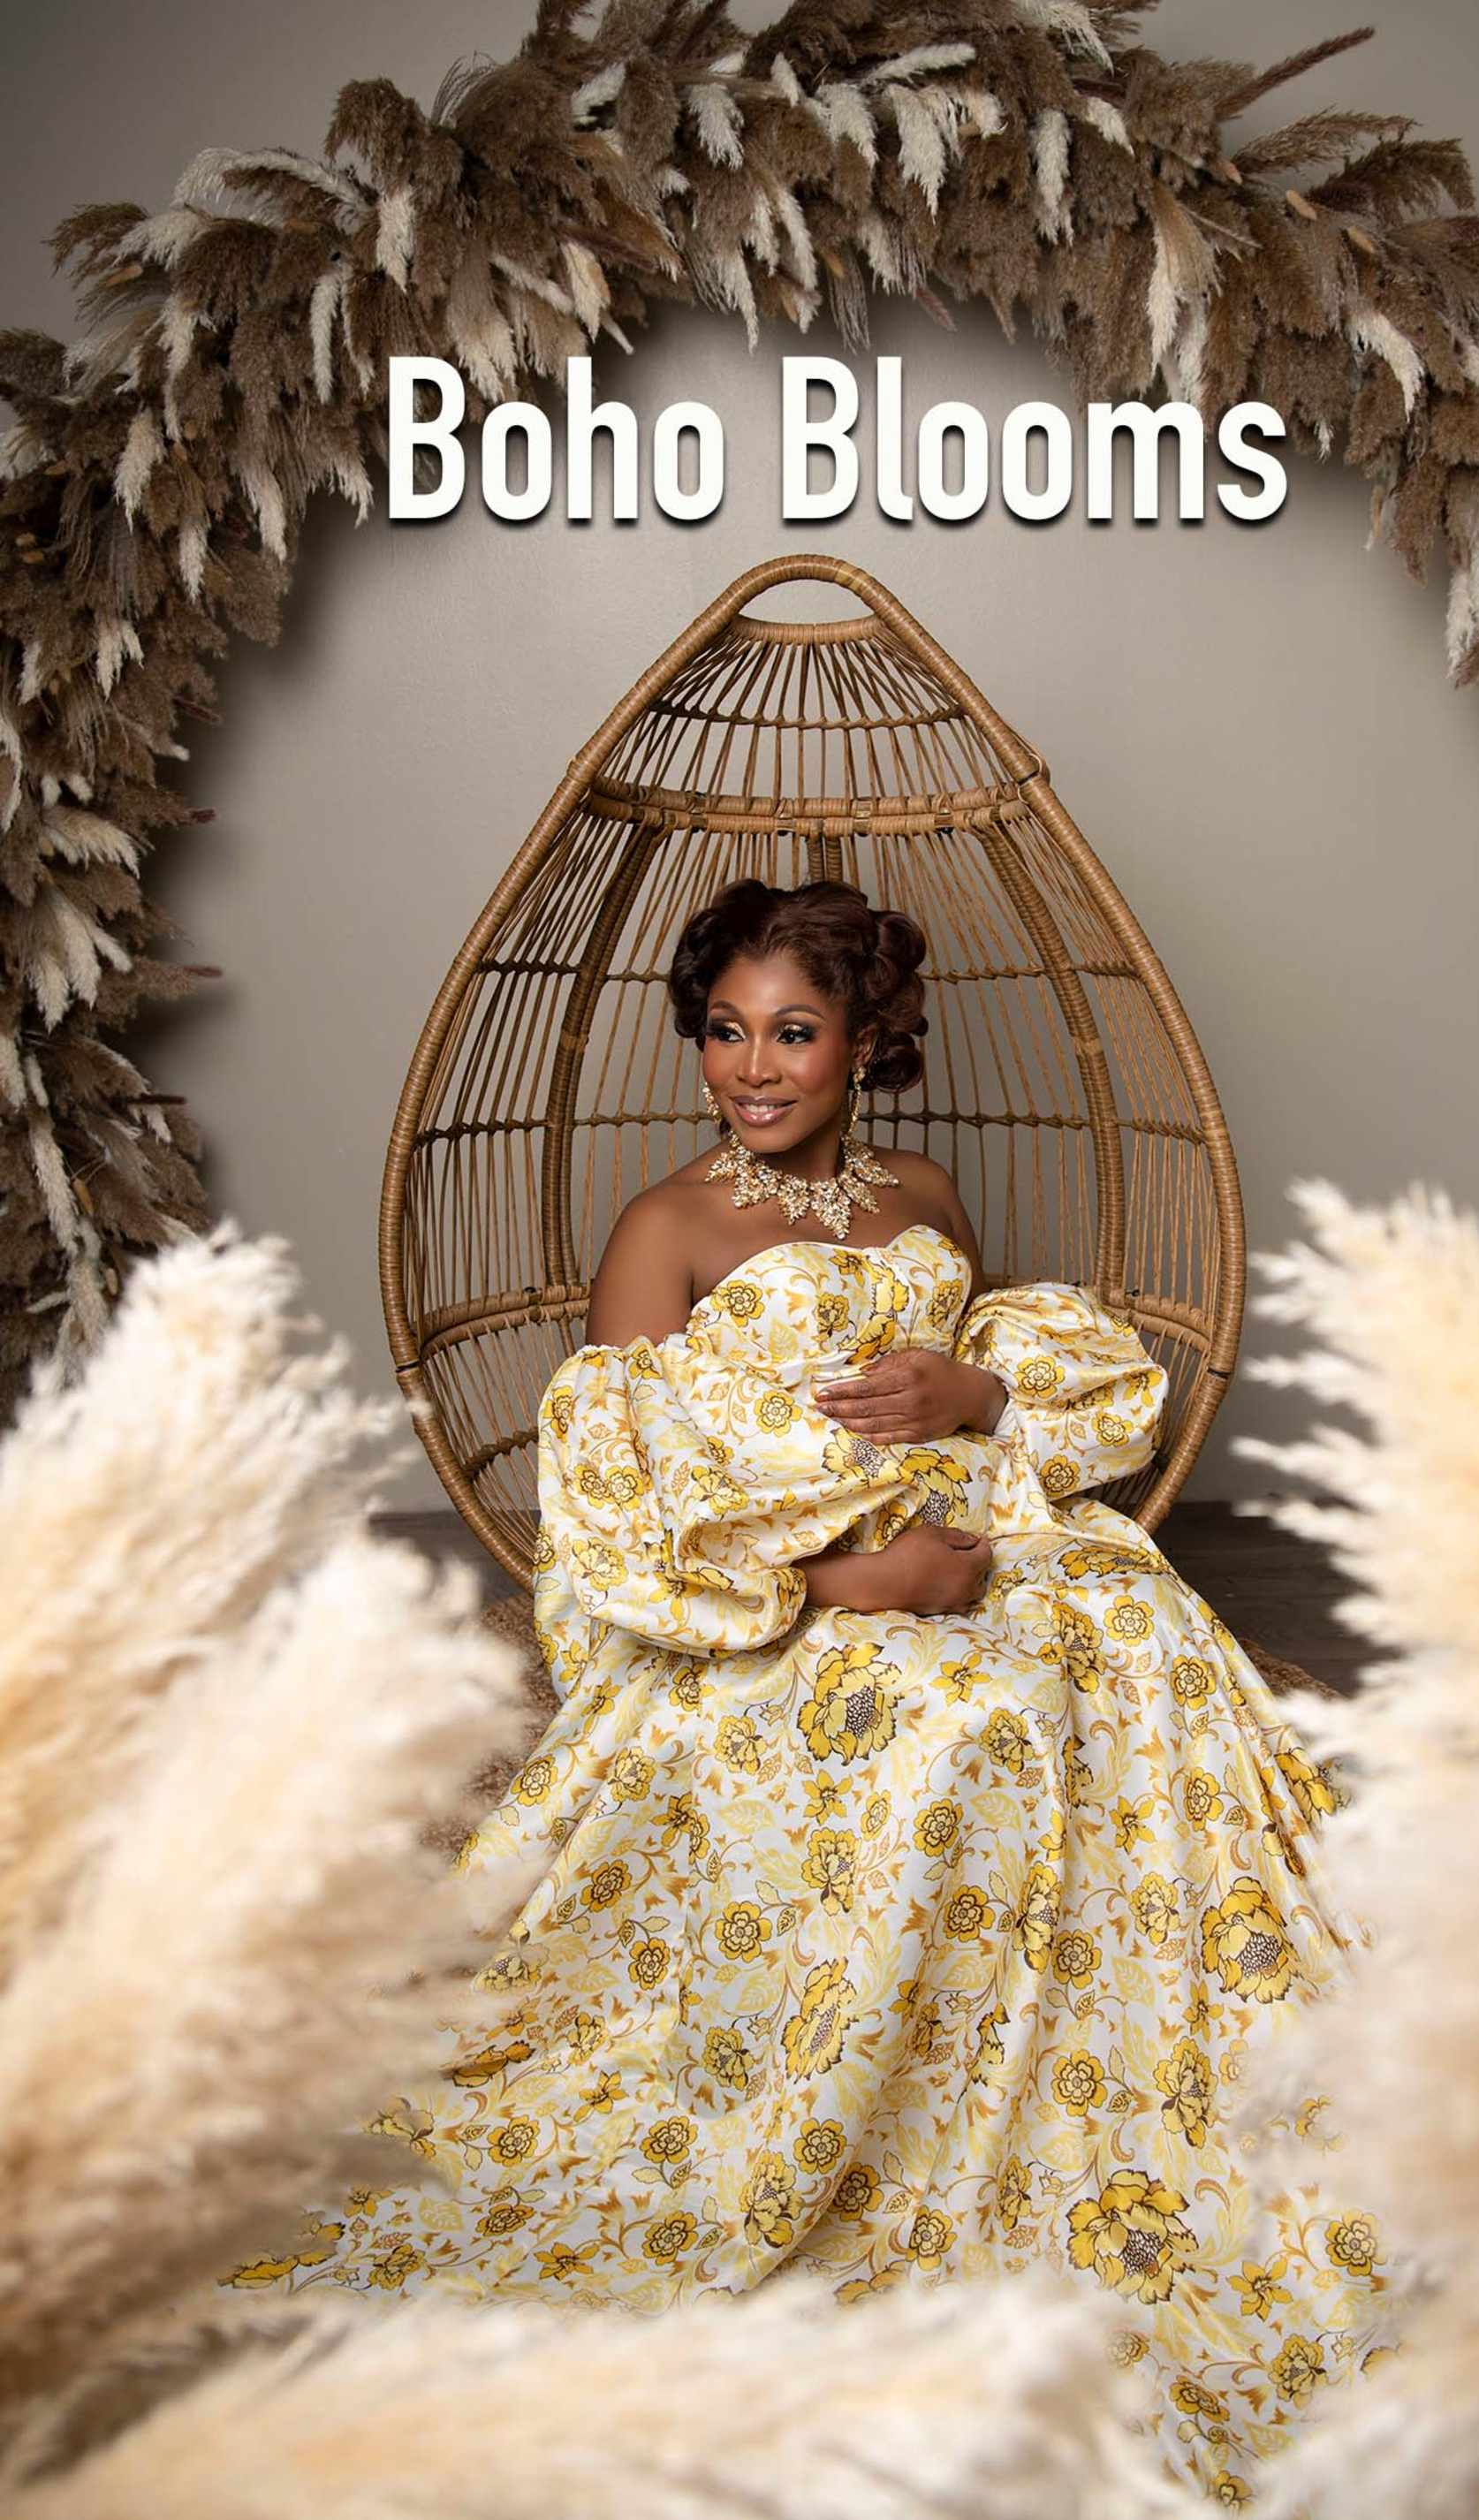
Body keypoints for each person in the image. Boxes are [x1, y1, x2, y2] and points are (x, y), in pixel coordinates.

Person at [240, 878, 1383, 2500]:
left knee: (1131, 1632)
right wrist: (852, 1579)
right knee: (948, 1724)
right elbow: (621, 1499)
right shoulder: (671, 1229)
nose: (754, 1069)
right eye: (725, 1030)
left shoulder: (922, 1191)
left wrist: (967, 1383)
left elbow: (988, 1401)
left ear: (868, 1043)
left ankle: (1121, 2059)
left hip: (966, 1522)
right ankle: (874, 2097)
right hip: (772, 1591)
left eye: (794, 1032)